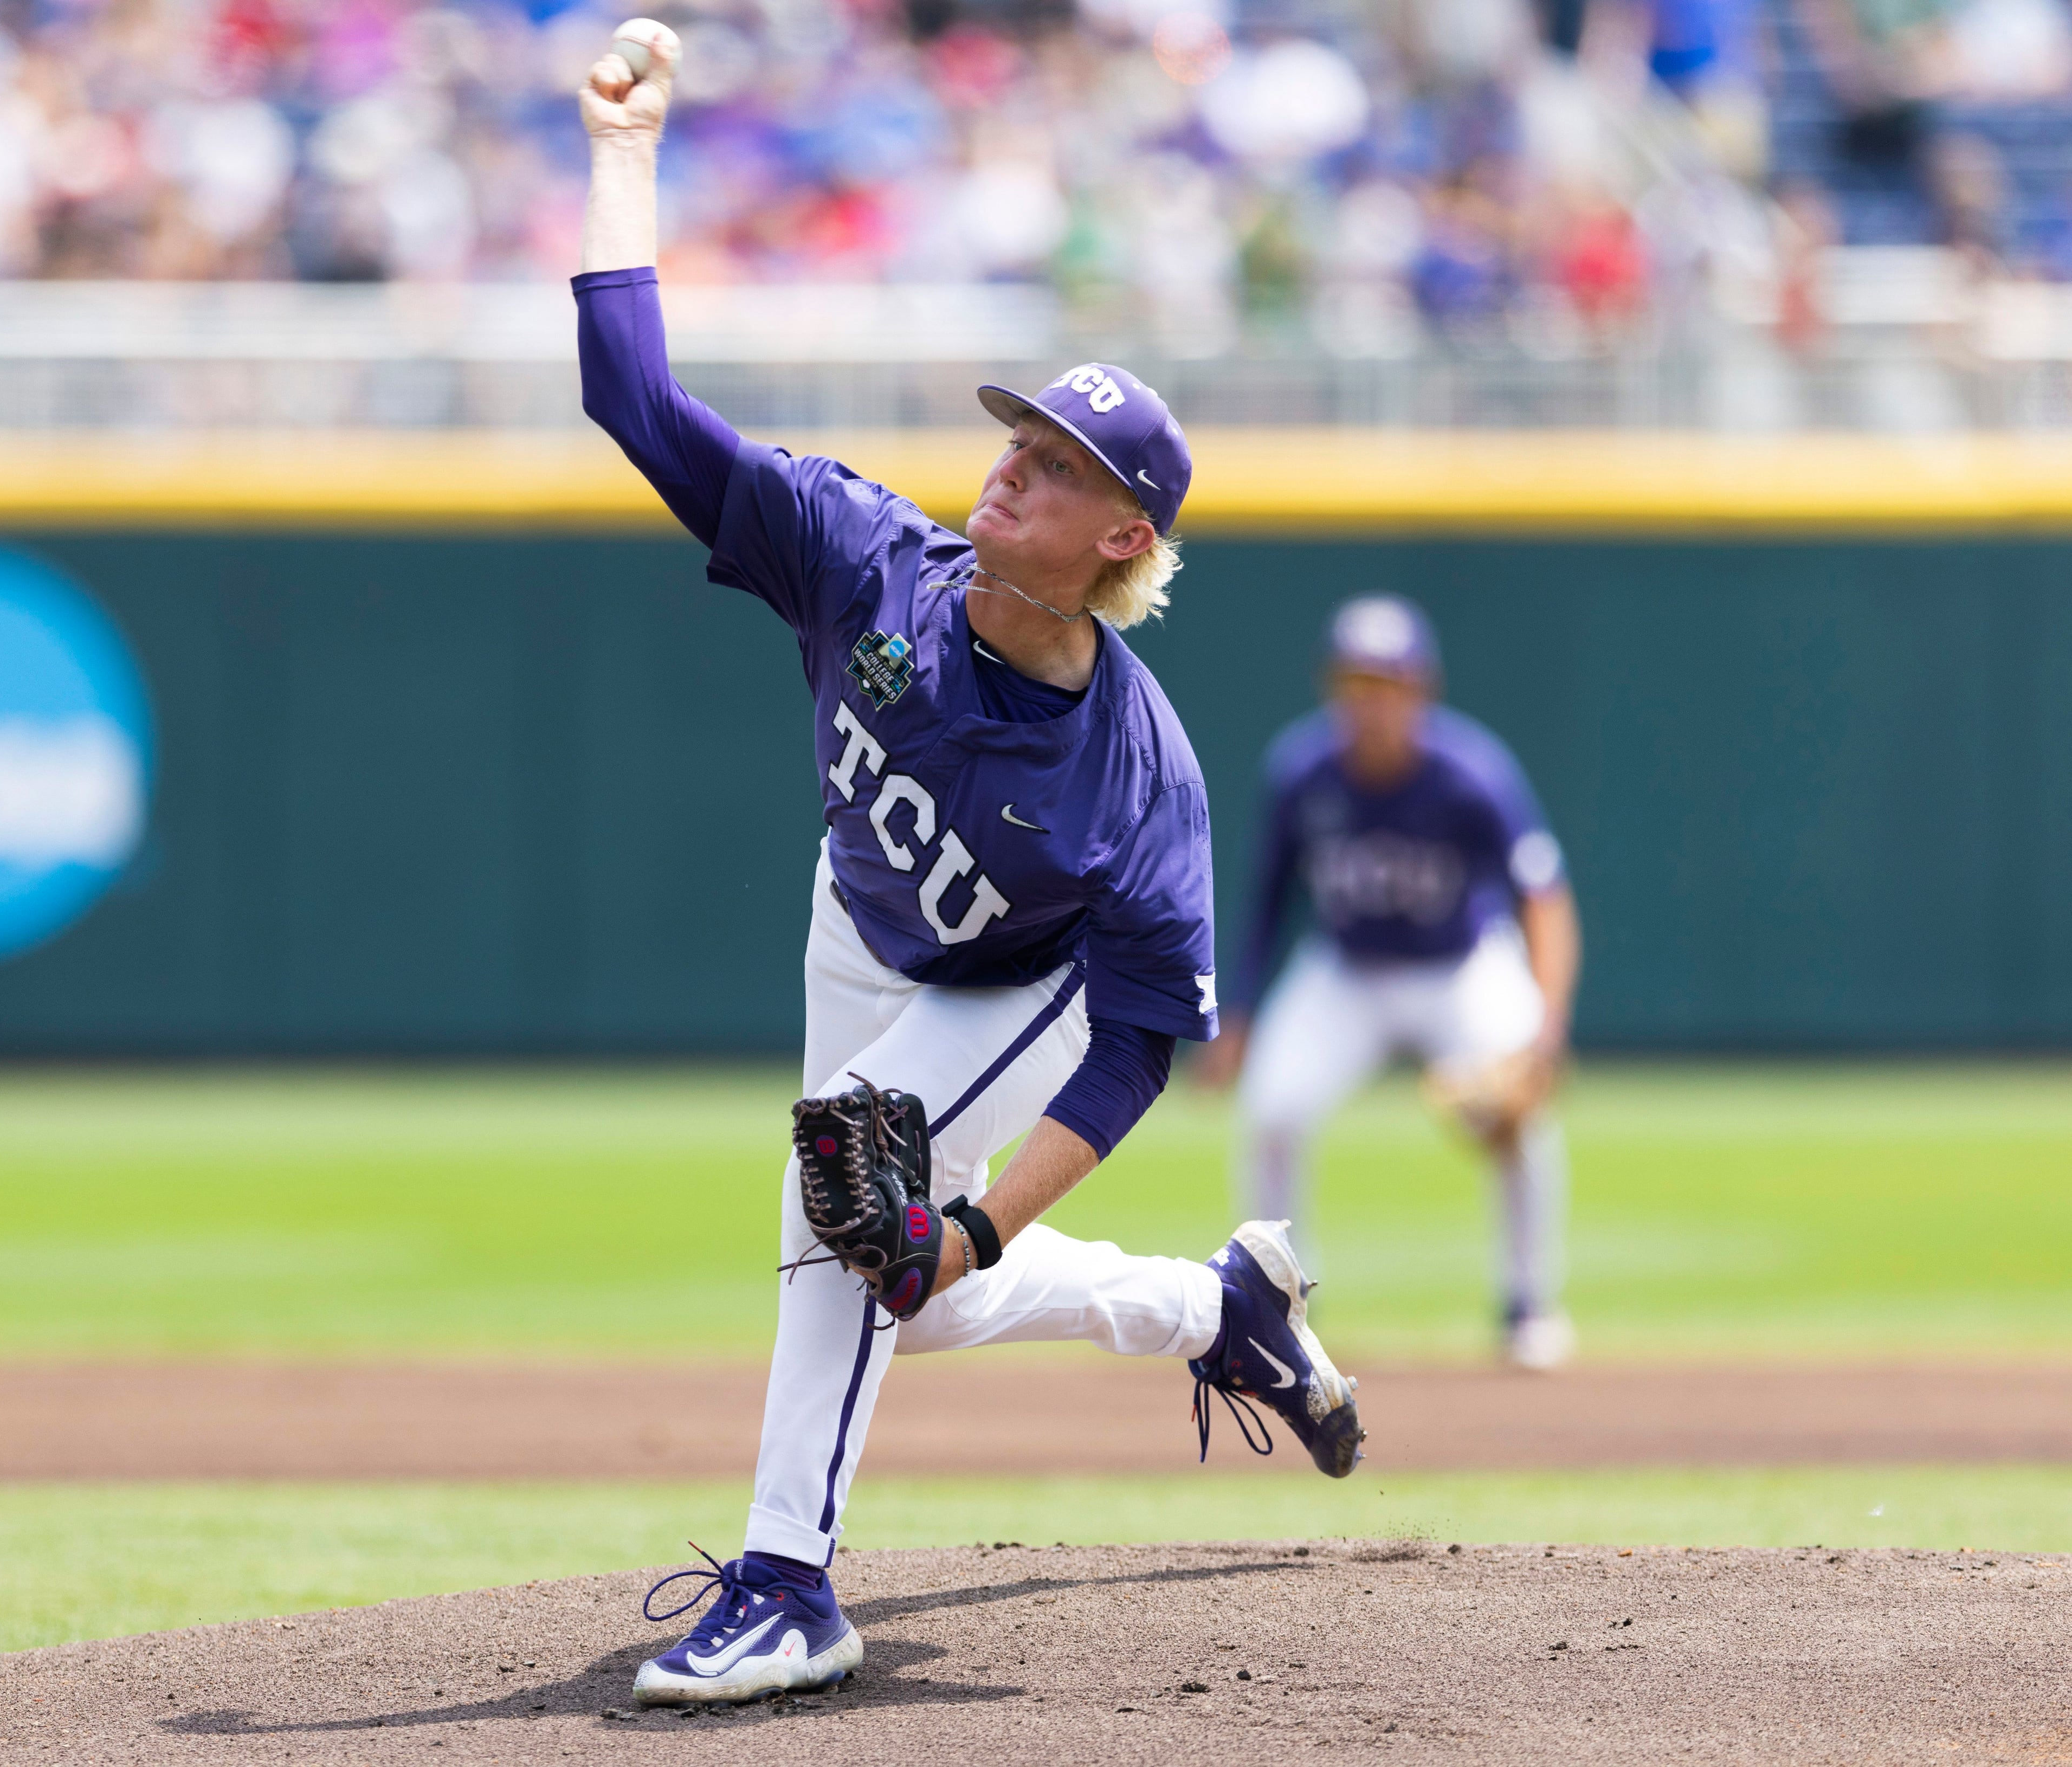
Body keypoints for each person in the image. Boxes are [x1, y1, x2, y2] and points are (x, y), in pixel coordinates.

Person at [573, 19, 1364, 1710]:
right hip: (857, 933)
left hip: (1033, 991)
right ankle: (1216, 1303)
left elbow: (1147, 1038)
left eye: (1061, 465)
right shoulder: (866, 559)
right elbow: (630, 399)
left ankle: (790, 1579)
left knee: (842, 1193)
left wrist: (987, 1222)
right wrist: (624, 159)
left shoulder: (1139, 780)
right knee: (891, 1290)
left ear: (1122, 538)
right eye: (1019, 436)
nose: (1013, 459)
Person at [1196, 596, 1583, 1371]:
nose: (1371, 699)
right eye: (1355, 680)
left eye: (1388, 681)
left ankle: (1528, 1303)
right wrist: (1234, 1012)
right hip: (1347, 971)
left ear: (1421, 689)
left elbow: (1545, 899)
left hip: (1461, 967)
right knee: (1273, 1111)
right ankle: (1277, 1307)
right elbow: (1269, 898)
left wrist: (1543, 1034)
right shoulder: (1303, 770)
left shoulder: (1470, 774)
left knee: (1519, 1119)